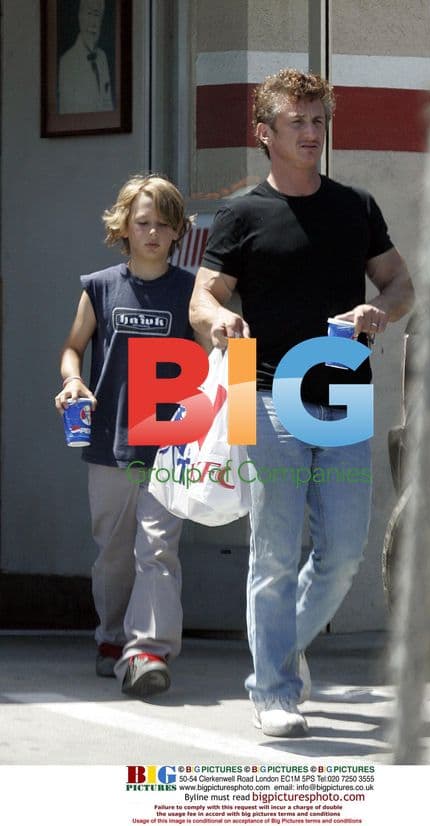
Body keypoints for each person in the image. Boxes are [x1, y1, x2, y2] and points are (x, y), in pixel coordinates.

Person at [189, 69, 415, 737]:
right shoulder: (242, 214)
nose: (312, 133)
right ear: (265, 133)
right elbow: (203, 295)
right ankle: (275, 688)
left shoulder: (356, 206)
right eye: (298, 122)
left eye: (319, 121)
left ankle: (282, 652)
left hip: (342, 383)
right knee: (276, 548)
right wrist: (216, 322)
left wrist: (383, 308)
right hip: (261, 389)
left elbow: (401, 281)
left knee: (344, 549)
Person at [55, 174, 193, 698]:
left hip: (172, 447)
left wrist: (236, 421)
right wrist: (73, 380)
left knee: (157, 549)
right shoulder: (100, 286)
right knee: (113, 552)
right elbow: (72, 347)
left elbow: (223, 356)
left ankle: (148, 651)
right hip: (109, 443)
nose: (153, 233)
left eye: (163, 224)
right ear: (125, 227)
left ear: (178, 230)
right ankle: (112, 637)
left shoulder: (192, 291)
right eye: (143, 223)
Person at [58, 0, 113, 114]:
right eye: (89, 14)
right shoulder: (66, 62)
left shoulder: (103, 57)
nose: (93, 23)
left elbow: (108, 106)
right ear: (80, 17)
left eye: (97, 15)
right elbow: (67, 114)